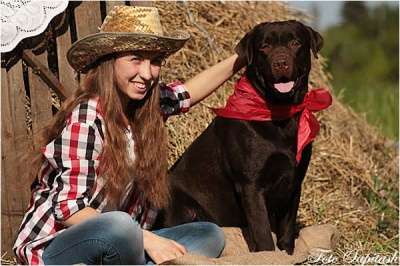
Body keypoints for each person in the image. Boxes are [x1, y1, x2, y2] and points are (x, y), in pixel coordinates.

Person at [13, 5, 244, 265]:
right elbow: (69, 209)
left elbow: (186, 95)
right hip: (59, 247)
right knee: (121, 226)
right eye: (136, 58)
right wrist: (145, 237)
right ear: (110, 62)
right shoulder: (88, 117)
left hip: (121, 245)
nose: (147, 74)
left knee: (208, 234)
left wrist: (241, 58)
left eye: (155, 61)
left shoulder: (146, 111)